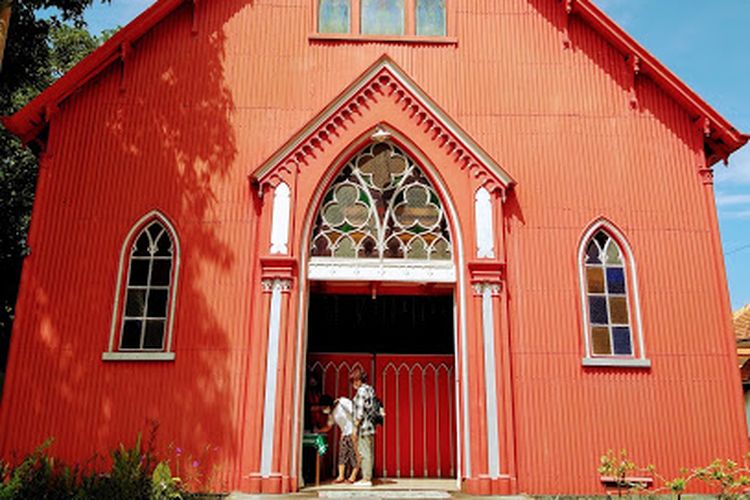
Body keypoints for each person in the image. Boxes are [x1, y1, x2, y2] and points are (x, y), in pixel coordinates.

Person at [351, 367, 376, 487]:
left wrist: (355, 428)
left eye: (355, 380)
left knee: (364, 452)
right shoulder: (370, 390)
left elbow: (360, 412)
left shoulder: (361, 391)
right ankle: (368, 476)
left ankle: (366, 479)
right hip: (370, 426)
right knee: (369, 452)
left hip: (363, 427)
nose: (353, 384)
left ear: (359, 380)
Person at [331, 397, 359, 483]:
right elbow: (329, 425)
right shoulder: (332, 413)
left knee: (354, 455)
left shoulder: (342, 402)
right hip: (344, 434)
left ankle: (353, 476)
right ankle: (341, 476)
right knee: (342, 455)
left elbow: (355, 413)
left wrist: (356, 429)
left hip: (353, 432)